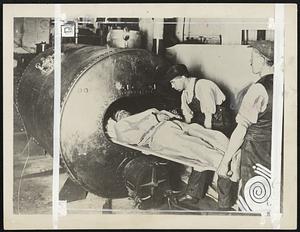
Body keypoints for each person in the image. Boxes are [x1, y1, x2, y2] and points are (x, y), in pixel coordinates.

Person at [165, 64, 236, 208]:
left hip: (220, 123)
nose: (172, 86)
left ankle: (225, 202)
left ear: (183, 77)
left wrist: (205, 138)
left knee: (220, 158)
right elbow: (188, 119)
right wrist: (186, 135)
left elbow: (209, 116)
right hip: (205, 124)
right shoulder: (185, 94)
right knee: (198, 153)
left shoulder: (203, 86)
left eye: (173, 82)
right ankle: (193, 194)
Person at [217, 40, 274, 211]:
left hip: (255, 151)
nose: (250, 62)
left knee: (253, 198)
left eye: (252, 58)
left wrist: (225, 161)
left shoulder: (258, 89)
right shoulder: (285, 84)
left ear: (262, 59)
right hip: (273, 149)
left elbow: (241, 129)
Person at [112, 108, 239, 177]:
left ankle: (234, 151)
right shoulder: (120, 127)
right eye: (119, 114)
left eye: (123, 111)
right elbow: (152, 113)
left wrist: (165, 115)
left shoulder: (139, 117)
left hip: (169, 124)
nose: (122, 113)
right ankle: (226, 164)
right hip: (159, 136)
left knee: (203, 133)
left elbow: (156, 113)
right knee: (194, 146)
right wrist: (154, 115)